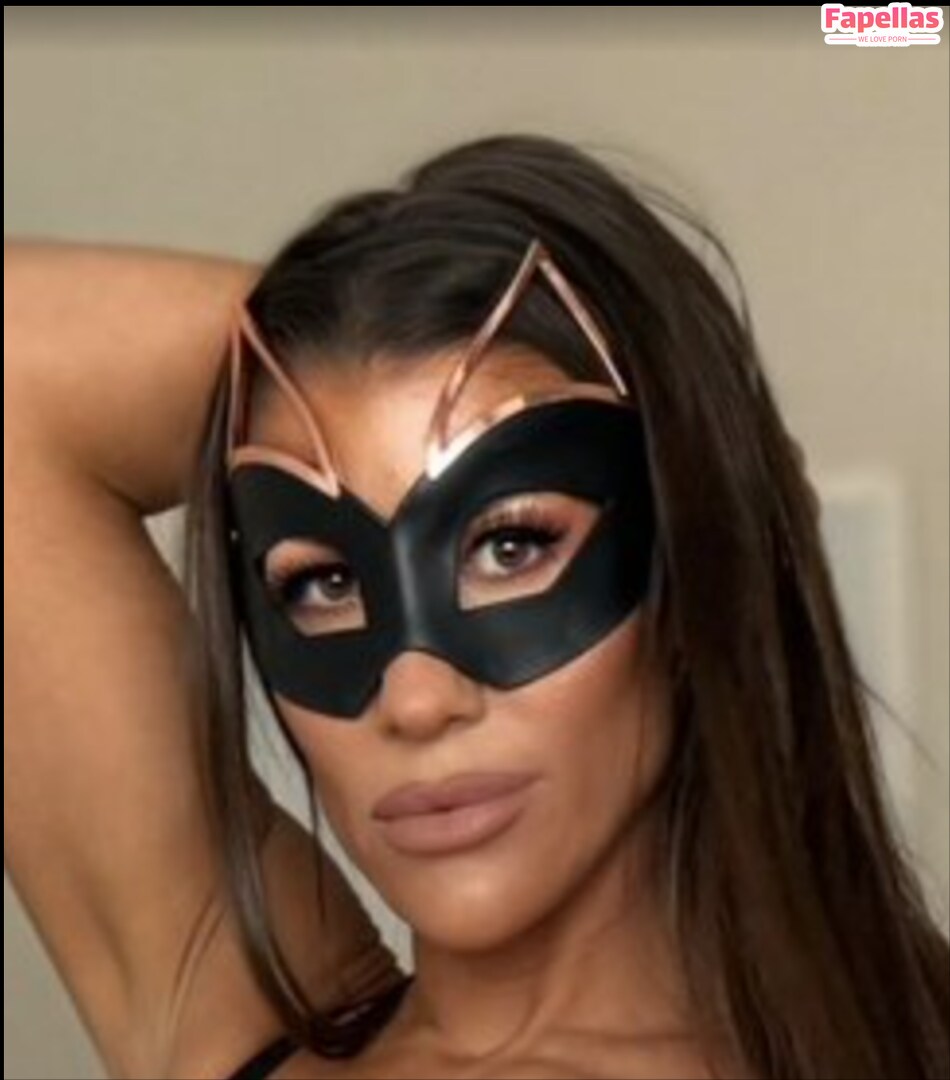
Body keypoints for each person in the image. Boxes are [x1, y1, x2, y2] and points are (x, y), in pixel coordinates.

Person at [5, 133, 948, 1080]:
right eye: (324, 583)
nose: (415, 701)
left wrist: (699, 422)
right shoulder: (238, 1031)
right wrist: (339, 322)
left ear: (694, 555)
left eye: (510, 547)